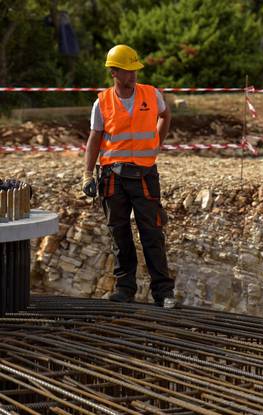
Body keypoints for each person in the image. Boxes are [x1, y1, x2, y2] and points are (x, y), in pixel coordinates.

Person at [81, 44, 175, 308]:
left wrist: (157, 142)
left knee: (152, 232)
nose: (133, 75)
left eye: (135, 70)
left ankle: (163, 292)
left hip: (145, 174)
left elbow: (166, 115)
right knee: (119, 233)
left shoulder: (151, 94)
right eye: (127, 70)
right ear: (113, 72)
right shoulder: (102, 102)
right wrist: (87, 174)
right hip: (113, 176)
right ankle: (125, 287)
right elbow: (94, 138)